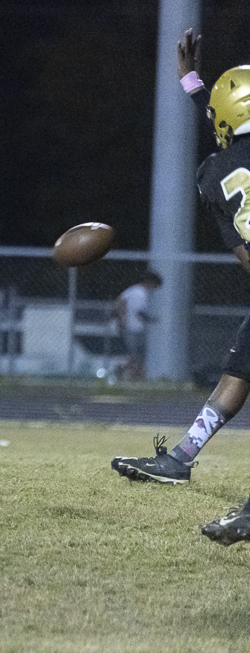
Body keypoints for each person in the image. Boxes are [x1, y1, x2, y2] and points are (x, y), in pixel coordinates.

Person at [114, 31, 250, 525]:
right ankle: (180, 459)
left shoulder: (214, 174)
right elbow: (229, 118)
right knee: (239, 371)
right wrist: (195, 85)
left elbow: (224, 124)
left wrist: (192, 81)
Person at [114, 272, 162, 381]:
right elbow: (139, 311)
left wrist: (122, 319)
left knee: (135, 354)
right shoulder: (141, 293)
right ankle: (129, 372)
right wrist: (152, 320)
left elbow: (120, 301)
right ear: (151, 283)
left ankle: (129, 372)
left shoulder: (132, 290)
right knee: (138, 355)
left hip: (129, 327)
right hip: (136, 328)